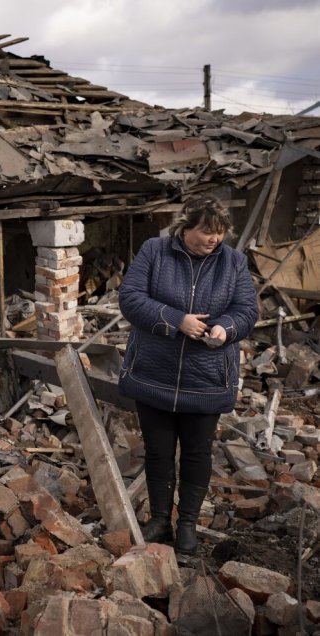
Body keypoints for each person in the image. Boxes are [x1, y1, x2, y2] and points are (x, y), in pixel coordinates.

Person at [118, 195, 258, 555]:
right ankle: (160, 520)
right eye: (205, 232)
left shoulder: (234, 262)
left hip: (206, 376)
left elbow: (246, 310)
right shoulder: (155, 251)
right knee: (158, 452)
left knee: (197, 454)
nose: (213, 240)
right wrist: (176, 319)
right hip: (155, 371)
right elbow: (130, 298)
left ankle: (187, 526)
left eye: (219, 233)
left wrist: (226, 328)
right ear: (185, 227)